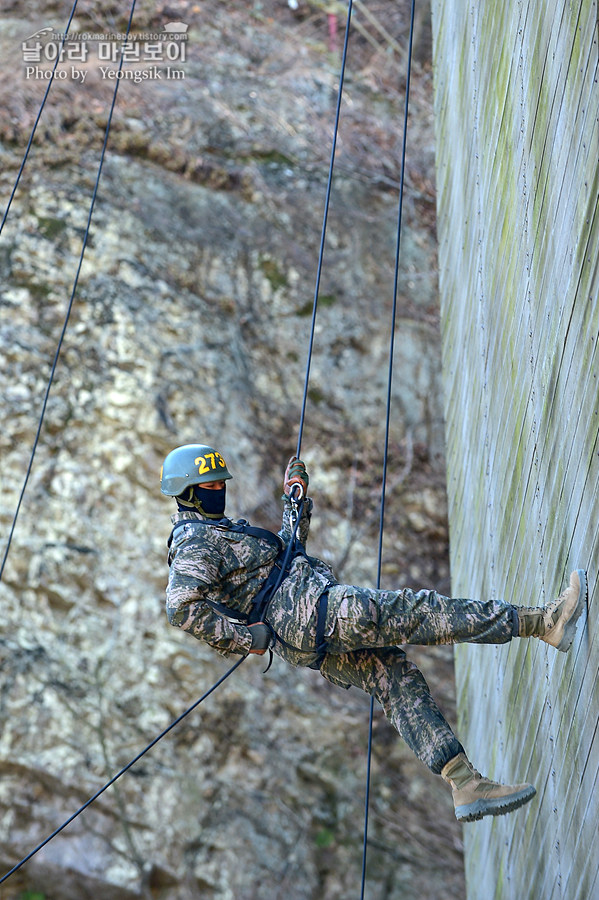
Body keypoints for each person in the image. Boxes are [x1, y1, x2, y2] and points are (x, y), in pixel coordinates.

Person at [160, 442, 588, 823]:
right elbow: (181, 608)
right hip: (323, 614)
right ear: (189, 493)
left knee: (394, 677)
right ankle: (546, 623)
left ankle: (464, 783)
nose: (220, 491)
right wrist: (244, 640)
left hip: (306, 634)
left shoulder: (214, 533)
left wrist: (295, 502)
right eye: (211, 486)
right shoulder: (194, 542)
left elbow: (286, 559)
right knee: (421, 612)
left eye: (220, 483)